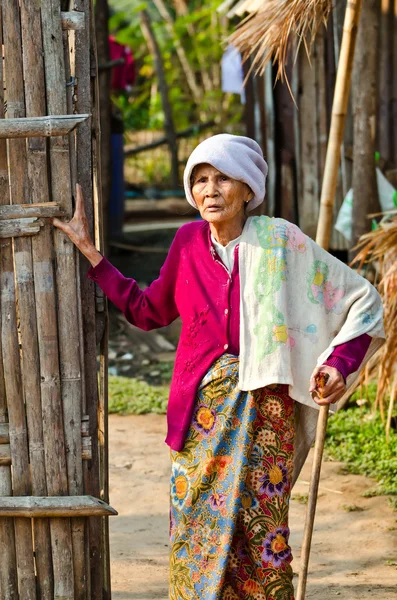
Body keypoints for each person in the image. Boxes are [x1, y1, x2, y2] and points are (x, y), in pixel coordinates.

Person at [53, 135, 385, 600]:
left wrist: (336, 365)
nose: (210, 190)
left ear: (247, 189)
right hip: (199, 417)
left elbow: (362, 301)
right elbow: (150, 311)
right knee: (195, 528)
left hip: (264, 417)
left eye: (223, 178)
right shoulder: (188, 241)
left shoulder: (281, 241)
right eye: (201, 180)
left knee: (262, 532)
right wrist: (92, 255)